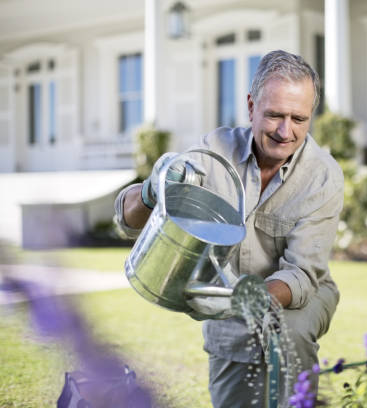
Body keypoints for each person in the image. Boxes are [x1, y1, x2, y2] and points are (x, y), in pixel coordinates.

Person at [114, 50, 343, 407]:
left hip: (299, 294)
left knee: (289, 333)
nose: (286, 131)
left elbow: (301, 274)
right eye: (274, 115)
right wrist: (152, 188)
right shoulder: (213, 153)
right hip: (227, 299)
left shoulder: (323, 175)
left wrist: (250, 298)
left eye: (299, 118)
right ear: (251, 106)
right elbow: (127, 223)